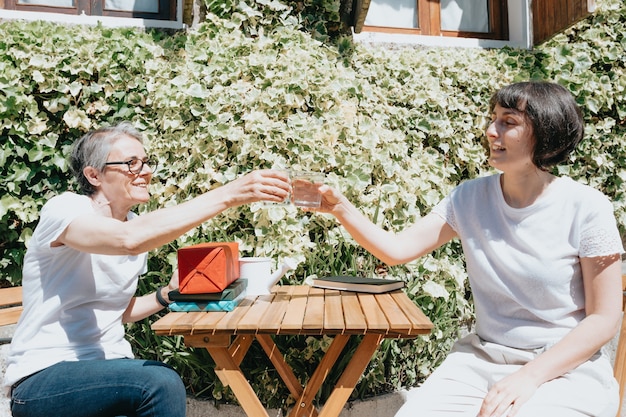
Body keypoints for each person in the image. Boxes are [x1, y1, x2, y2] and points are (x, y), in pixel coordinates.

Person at [312, 81, 623, 417]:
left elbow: (605, 319)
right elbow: (397, 250)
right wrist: (341, 208)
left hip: (565, 367)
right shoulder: (469, 198)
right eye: (492, 119)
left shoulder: (587, 207)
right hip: (482, 360)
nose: (491, 131)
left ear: (545, 133)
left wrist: (529, 377)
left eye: (508, 122)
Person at [4, 122, 291, 417]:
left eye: (146, 162)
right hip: (43, 379)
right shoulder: (65, 210)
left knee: (153, 385)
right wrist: (229, 194)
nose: (145, 171)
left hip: (108, 373)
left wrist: (165, 295)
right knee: (160, 382)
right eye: (131, 163)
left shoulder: (133, 223)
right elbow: (128, 240)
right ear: (94, 175)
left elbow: (118, 310)